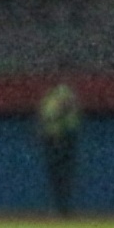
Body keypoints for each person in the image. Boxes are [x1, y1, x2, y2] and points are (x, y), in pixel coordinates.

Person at [36, 83, 82, 216]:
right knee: (56, 175)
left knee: (63, 174)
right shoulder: (50, 97)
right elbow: (44, 117)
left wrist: (60, 135)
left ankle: (64, 208)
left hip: (64, 138)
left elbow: (63, 115)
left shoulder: (64, 94)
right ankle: (60, 207)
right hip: (52, 138)